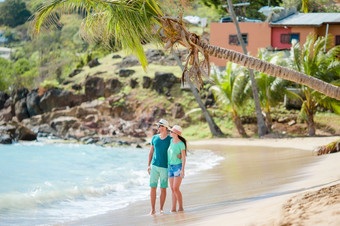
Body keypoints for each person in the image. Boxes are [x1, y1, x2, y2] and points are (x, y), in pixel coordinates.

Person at [147, 119, 171, 215]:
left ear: (165, 127)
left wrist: (180, 156)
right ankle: (153, 209)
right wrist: (148, 165)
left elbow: (176, 149)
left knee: (163, 188)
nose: (158, 127)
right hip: (154, 166)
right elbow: (151, 152)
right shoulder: (154, 138)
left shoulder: (170, 139)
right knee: (153, 187)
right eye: (158, 126)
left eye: (160, 126)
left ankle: (161, 209)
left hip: (165, 167)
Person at [168, 125, 187, 212]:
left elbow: (183, 157)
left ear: (176, 133)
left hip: (178, 167)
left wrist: (182, 170)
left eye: (171, 131)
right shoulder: (171, 141)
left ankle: (181, 207)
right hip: (170, 167)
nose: (170, 132)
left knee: (175, 188)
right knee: (172, 189)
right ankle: (173, 208)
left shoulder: (181, 144)